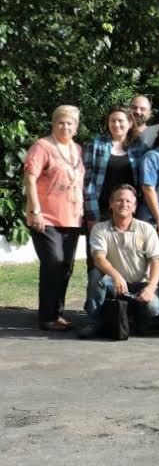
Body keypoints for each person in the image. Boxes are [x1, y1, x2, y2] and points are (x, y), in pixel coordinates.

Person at [23, 105, 85, 331]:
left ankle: (57, 314)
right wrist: (35, 210)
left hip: (72, 218)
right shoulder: (42, 146)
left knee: (66, 267)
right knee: (53, 263)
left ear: (76, 127)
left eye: (70, 123)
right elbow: (30, 178)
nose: (65, 126)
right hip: (46, 218)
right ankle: (47, 317)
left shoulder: (76, 149)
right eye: (61, 122)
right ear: (53, 123)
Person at [80, 184, 159, 337]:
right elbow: (98, 258)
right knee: (95, 276)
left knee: (154, 308)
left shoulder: (147, 229)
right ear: (111, 204)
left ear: (135, 206)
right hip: (114, 285)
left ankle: (136, 320)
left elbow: (155, 262)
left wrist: (151, 288)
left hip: (140, 285)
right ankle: (94, 321)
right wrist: (115, 275)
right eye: (119, 200)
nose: (124, 204)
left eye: (128, 201)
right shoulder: (100, 229)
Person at [83, 105, 148, 228]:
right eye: (112, 121)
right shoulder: (96, 145)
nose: (116, 124)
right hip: (101, 212)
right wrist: (92, 215)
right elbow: (87, 182)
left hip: (129, 213)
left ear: (129, 123)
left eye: (120, 121)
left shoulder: (139, 147)